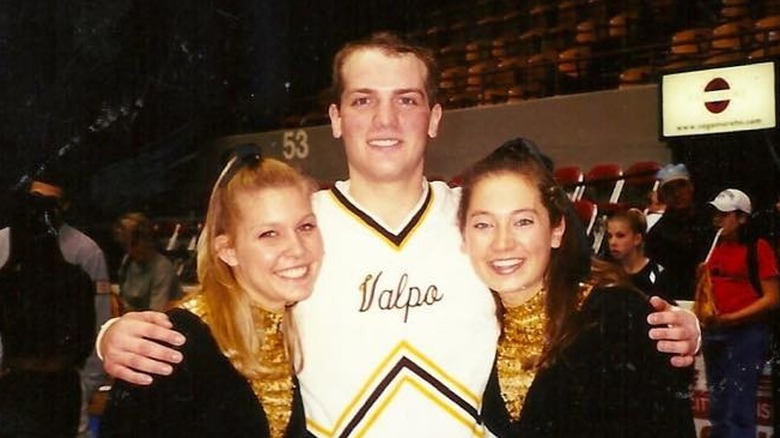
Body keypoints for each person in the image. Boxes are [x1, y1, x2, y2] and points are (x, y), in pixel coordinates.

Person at [96, 32, 702, 437]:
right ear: (335, 118)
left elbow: (583, 289)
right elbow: (215, 310)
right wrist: (112, 335)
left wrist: (680, 321)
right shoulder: (298, 234)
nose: (385, 121)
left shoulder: (482, 220)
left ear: (435, 117)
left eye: (407, 100)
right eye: (363, 101)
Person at [459, 138, 695, 437]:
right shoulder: (468, 329)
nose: (502, 242)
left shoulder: (619, 317)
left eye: (523, 222)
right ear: (464, 236)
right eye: (483, 225)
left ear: (556, 230)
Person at [99, 152, 322, 437]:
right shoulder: (172, 341)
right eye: (269, 234)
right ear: (227, 250)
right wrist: (108, 335)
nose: (298, 249)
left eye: (305, 227)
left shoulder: (286, 326)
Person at [0, 174, 112, 438]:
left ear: (65, 205)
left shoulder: (85, 253)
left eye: (50, 203)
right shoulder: (2, 248)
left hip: (63, 380)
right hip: (13, 378)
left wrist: (87, 385)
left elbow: (97, 324)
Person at [700, 188, 779, 438]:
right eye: (715, 214)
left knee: (740, 407)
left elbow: (773, 298)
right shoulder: (712, 248)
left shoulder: (758, 248)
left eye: (724, 215)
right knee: (718, 404)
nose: (717, 219)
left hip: (745, 334)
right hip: (715, 332)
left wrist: (734, 317)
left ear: (742, 218)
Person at [645, 163, 712, 301]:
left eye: (681, 186)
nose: (676, 194)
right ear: (663, 195)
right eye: (669, 190)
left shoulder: (711, 220)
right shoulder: (657, 234)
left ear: (691, 187)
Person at [113, 212, 183, 312]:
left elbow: (157, 312)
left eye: (134, 243)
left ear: (146, 239)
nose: (130, 250)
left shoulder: (162, 268)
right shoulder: (127, 263)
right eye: (125, 245)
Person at [607, 207, 673, 302]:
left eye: (620, 236)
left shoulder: (657, 274)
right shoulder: (607, 271)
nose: (612, 242)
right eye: (609, 236)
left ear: (637, 239)